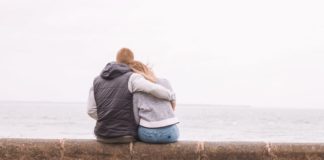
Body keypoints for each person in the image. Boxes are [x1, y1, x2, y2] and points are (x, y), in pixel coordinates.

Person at [87, 48, 176, 143]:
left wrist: (107, 118)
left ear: (116, 60)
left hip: (102, 136)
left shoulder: (96, 80)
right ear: (132, 61)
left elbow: (90, 110)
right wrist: (171, 96)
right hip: (125, 135)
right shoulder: (132, 78)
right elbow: (153, 89)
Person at [129, 60, 179, 143]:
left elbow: (136, 119)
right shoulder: (165, 82)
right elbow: (172, 107)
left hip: (148, 134)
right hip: (171, 133)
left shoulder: (136, 90)